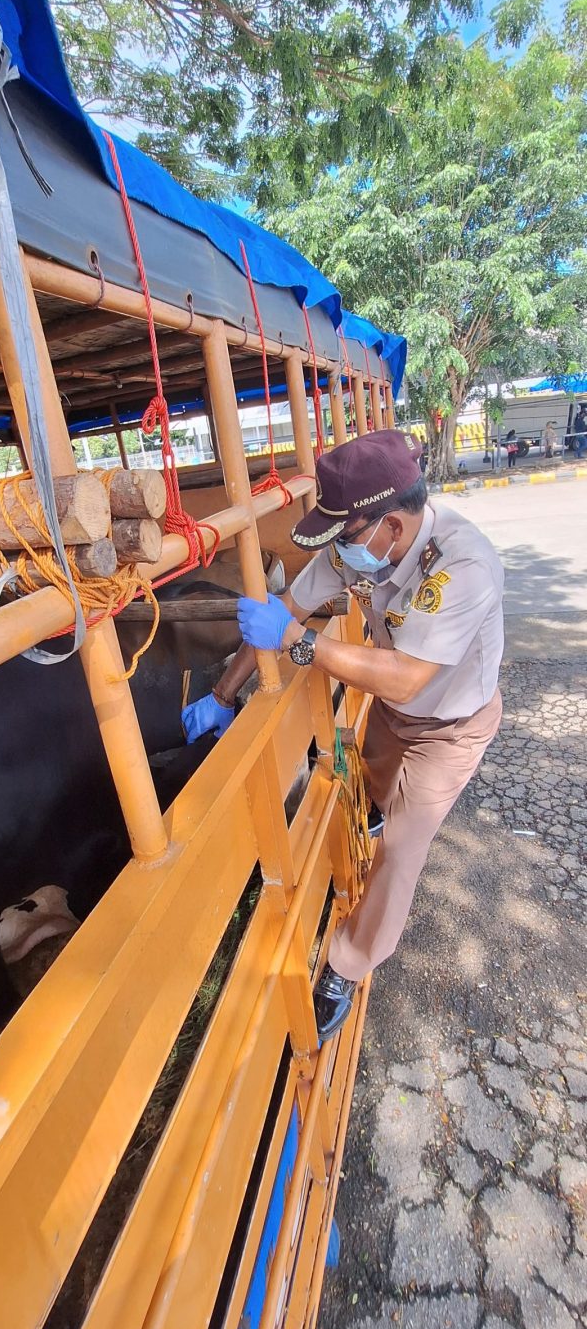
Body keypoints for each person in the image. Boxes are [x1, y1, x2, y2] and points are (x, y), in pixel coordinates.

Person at [183, 431, 504, 1041]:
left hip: (450, 727)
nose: (338, 549)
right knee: (375, 786)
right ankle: (377, 811)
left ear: (390, 525)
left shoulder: (463, 566)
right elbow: (288, 609)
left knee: (401, 851)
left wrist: (297, 642)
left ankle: (347, 965)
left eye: (345, 536)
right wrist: (222, 695)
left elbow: (405, 675)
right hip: (392, 712)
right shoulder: (360, 546)